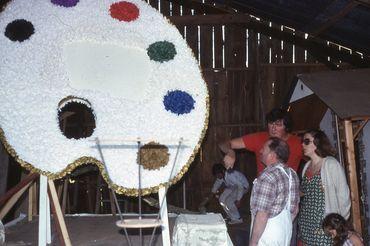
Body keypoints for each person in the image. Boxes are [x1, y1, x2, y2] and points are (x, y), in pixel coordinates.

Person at [298, 129, 351, 245]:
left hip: (325, 224)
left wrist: (338, 223)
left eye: (307, 141)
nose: (302, 144)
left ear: (318, 143)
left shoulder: (331, 164)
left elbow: (344, 195)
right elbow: (303, 192)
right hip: (306, 222)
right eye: (302, 141)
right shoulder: (307, 166)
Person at [219, 108, 302, 174]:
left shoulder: (297, 143)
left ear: (286, 127)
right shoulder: (260, 138)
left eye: (278, 124)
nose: (273, 128)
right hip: (263, 189)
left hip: (285, 191)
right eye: (271, 123)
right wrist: (230, 152)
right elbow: (224, 144)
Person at [249, 137, 300, 246]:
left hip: (267, 235)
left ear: (272, 154)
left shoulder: (268, 176)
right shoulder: (292, 174)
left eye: (263, 149)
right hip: (285, 233)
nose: (260, 151)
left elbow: (262, 214)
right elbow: (295, 210)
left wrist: (253, 242)